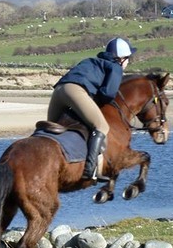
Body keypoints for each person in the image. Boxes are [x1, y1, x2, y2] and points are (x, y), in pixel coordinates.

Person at [46, 37, 136, 183]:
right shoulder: (115, 67)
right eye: (128, 58)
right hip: (75, 91)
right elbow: (107, 94)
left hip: (59, 91)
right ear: (121, 59)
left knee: (52, 129)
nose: (128, 62)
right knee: (101, 126)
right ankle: (90, 170)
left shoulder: (91, 61)